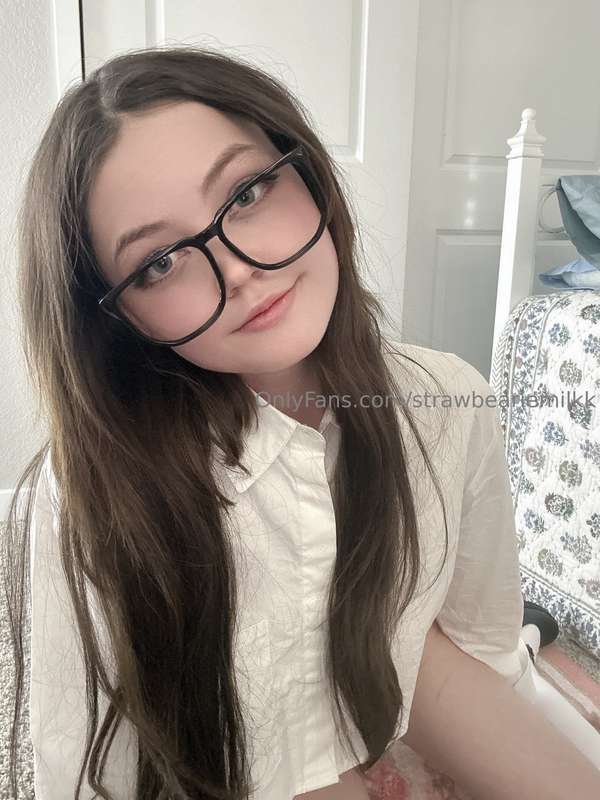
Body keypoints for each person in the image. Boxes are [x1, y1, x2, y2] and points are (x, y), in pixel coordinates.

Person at [3, 45, 599, 800]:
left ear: (308, 173)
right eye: (161, 262)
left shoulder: (447, 401)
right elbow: (89, 767)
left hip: (407, 669)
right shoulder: (90, 495)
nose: (239, 269)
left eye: (247, 193)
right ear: (123, 320)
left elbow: (479, 638)